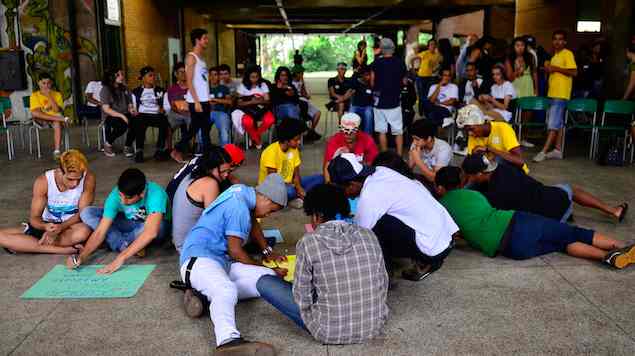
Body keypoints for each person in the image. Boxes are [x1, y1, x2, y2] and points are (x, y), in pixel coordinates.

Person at [256, 184, 389, 344]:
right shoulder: (369, 235)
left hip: (328, 331)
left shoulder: (308, 242)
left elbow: (302, 298)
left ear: (316, 216)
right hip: (373, 326)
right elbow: (383, 282)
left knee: (264, 283)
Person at [435, 166, 635, 269]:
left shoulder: (440, 209)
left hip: (512, 250)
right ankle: (620, 246)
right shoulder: (474, 194)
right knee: (573, 233)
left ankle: (607, 257)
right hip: (517, 223)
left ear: (440, 188)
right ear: (461, 182)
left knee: (562, 245)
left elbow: (455, 235)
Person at [178, 174, 288, 355]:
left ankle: (201, 297)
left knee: (266, 280)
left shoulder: (244, 194)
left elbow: (253, 222)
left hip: (220, 262)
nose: (269, 215)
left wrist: (267, 254)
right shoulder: (239, 206)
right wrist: (267, 266)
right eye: (272, 209)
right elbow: (236, 251)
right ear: (265, 197)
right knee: (225, 289)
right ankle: (228, 342)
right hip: (198, 259)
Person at [328, 152, 457, 281]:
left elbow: (359, 237)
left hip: (433, 249)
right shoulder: (381, 171)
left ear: (352, 184)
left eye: (342, 190)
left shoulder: (371, 195)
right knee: (380, 221)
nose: (344, 195)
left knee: (375, 230)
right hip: (445, 236)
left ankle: (384, 276)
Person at [461, 153, 628, 223]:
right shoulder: (505, 169)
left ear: (480, 174)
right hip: (552, 202)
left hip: (549, 218)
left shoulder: (494, 194)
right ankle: (613, 211)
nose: (468, 179)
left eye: (470, 175)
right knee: (569, 189)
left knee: (566, 190)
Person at [70, 168, 169, 274]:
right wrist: (82, 256)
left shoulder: (156, 194)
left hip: (150, 227)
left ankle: (118, 242)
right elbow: (100, 231)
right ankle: (124, 244)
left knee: (159, 227)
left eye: (128, 198)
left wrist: (120, 259)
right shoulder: (115, 195)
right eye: (120, 195)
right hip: (129, 223)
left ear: (142, 193)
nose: (123, 201)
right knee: (87, 212)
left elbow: (151, 232)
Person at [0, 150, 94, 254]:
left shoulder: (88, 179)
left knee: (83, 232)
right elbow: (34, 218)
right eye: (70, 179)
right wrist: (45, 227)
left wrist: (61, 227)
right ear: (60, 171)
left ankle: (27, 244)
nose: (75, 184)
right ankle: (63, 250)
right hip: (47, 224)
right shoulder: (43, 181)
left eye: (79, 179)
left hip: (71, 225)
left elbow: (83, 213)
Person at [171, 146, 232, 252]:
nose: (226, 175)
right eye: (222, 171)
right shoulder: (210, 184)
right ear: (210, 168)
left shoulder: (192, 176)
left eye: (229, 171)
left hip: (182, 241)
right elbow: (214, 222)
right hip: (191, 247)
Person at [533, 30, 577, 162]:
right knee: (559, 123)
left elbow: (574, 72)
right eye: (555, 39)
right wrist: (547, 69)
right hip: (553, 93)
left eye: (560, 39)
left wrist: (554, 69)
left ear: (565, 42)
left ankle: (544, 151)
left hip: (561, 94)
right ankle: (558, 150)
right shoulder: (554, 56)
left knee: (552, 124)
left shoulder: (567, 54)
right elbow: (555, 72)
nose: (557, 42)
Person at [259, 118, 324, 207]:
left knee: (321, 178)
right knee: (289, 191)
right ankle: (294, 198)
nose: (299, 142)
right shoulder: (270, 152)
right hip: (273, 189)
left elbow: (296, 175)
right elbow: (273, 183)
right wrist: (296, 189)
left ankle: (294, 198)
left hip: (290, 185)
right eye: (296, 140)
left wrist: (299, 188)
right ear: (286, 140)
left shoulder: (294, 150)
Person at [456, 104, 529, 173]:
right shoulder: (473, 135)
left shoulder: (503, 128)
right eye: (467, 130)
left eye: (471, 129)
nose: (470, 133)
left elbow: (520, 161)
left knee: (497, 159)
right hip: (490, 173)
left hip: (514, 171)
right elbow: (470, 163)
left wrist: (489, 149)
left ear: (481, 122)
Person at [166, 143, 245, 204]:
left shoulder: (206, 159)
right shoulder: (209, 173)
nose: (227, 174)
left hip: (170, 197)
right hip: (174, 206)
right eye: (228, 170)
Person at [371, 38, 408, 155]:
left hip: (379, 102)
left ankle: (385, 156)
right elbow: (405, 81)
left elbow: (372, 82)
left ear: (381, 49)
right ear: (393, 48)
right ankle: (399, 155)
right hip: (394, 101)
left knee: (381, 131)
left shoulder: (376, 63)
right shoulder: (400, 62)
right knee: (398, 131)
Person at [180, 28, 211, 158]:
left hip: (204, 99)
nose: (207, 41)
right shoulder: (191, 58)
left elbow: (202, 82)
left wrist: (207, 99)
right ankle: (208, 157)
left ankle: (177, 150)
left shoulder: (201, 59)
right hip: (196, 101)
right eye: (204, 38)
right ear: (197, 40)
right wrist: (197, 101)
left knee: (198, 129)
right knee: (201, 130)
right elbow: (189, 81)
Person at [130, 66, 170, 163]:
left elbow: (167, 106)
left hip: (156, 114)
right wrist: (133, 111)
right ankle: (139, 151)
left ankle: (159, 150)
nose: (153, 78)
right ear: (143, 78)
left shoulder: (161, 90)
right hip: (142, 114)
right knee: (138, 122)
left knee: (164, 123)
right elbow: (134, 107)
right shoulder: (136, 92)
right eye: (150, 76)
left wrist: (164, 110)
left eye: (154, 76)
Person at [323, 113, 378, 182]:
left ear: (358, 130)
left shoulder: (367, 140)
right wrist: (329, 186)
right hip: (340, 178)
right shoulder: (334, 141)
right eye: (344, 130)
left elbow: (374, 163)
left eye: (352, 131)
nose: (348, 134)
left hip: (360, 177)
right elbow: (327, 166)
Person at [29, 72, 69, 159]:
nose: (46, 86)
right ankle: (62, 119)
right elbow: (37, 112)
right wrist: (57, 117)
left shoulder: (57, 94)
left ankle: (57, 151)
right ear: (39, 83)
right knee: (34, 113)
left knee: (57, 122)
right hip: (41, 120)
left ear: (51, 83)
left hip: (55, 119)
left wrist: (49, 96)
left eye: (48, 83)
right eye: (43, 83)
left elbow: (56, 110)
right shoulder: (34, 95)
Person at [234, 65, 275, 149]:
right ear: (248, 77)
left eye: (256, 77)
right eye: (252, 77)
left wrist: (259, 101)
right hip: (247, 110)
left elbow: (267, 100)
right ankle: (257, 140)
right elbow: (239, 104)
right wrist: (251, 102)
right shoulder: (242, 86)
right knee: (247, 122)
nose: (255, 79)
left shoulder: (263, 85)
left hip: (261, 109)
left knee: (270, 120)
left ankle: (253, 137)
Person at [100, 68, 136, 158]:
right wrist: (122, 116)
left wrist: (131, 109)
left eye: (122, 74)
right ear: (111, 77)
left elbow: (129, 102)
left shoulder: (124, 88)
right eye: (119, 75)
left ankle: (128, 145)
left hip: (124, 113)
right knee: (122, 125)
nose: (122, 77)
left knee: (137, 122)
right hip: (111, 115)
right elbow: (106, 109)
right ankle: (108, 144)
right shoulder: (105, 90)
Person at [408, 119, 452, 185]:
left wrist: (418, 160)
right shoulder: (416, 144)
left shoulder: (444, 149)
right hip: (426, 178)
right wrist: (412, 161)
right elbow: (408, 170)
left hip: (443, 184)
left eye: (417, 139)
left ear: (429, 139)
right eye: (413, 138)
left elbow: (435, 179)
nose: (414, 142)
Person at [166, 62, 191, 163]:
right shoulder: (172, 89)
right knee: (167, 125)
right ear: (176, 74)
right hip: (176, 113)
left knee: (193, 123)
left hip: (190, 113)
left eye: (186, 72)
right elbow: (173, 106)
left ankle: (180, 149)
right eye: (181, 72)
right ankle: (169, 150)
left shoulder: (192, 87)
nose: (184, 74)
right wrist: (182, 112)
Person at [411, 39, 442, 116]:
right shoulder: (424, 53)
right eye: (431, 44)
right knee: (421, 96)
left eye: (434, 44)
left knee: (427, 95)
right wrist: (413, 69)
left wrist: (436, 69)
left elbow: (439, 64)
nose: (432, 46)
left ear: (436, 46)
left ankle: (426, 112)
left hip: (430, 78)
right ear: (428, 46)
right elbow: (413, 59)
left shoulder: (437, 55)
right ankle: (421, 112)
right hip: (421, 77)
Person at [291, 65, 322, 141]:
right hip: (298, 103)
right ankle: (309, 132)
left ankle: (311, 131)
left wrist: (306, 95)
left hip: (304, 101)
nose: (302, 74)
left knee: (318, 113)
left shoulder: (300, 81)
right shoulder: (290, 82)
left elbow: (303, 92)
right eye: (301, 73)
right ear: (296, 74)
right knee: (304, 116)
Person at [208, 66, 232, 146]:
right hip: (207, 112)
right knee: (200, 130)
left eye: (215, 75)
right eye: (211, 75)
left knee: (224, 131)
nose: (213, 77)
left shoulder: (224, 88)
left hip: (221, 113)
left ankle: (224, 150)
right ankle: (203, 150)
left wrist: (215, 100)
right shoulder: (204, 88)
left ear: (219, 77)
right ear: (208, 76)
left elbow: (229, 102)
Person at [349, 65, 374, 134]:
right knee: (351, 114)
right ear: (362, 75)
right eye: (366, 75)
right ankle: (350, 135)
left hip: (367, 107)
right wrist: (355, 73)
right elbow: (350, 86)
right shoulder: (356, 82)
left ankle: (367, 136)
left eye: (369, 75)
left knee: (368, 114)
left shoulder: (371, 83)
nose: (368, 77)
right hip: (356, 106)